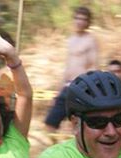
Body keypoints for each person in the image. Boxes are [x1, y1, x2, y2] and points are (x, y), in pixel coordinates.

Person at [44, 6, 98, 135]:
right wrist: (59, 89)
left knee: (80, 125)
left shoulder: (90, 41)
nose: (80, 22)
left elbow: (93, 66)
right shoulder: (71, 40)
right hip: (67, 85)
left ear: (88, 22)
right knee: (50, 123)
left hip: (82, 86)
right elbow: (68, 66)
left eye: (84, 19)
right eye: (77, 18)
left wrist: (89, 89)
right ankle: (57, 153)